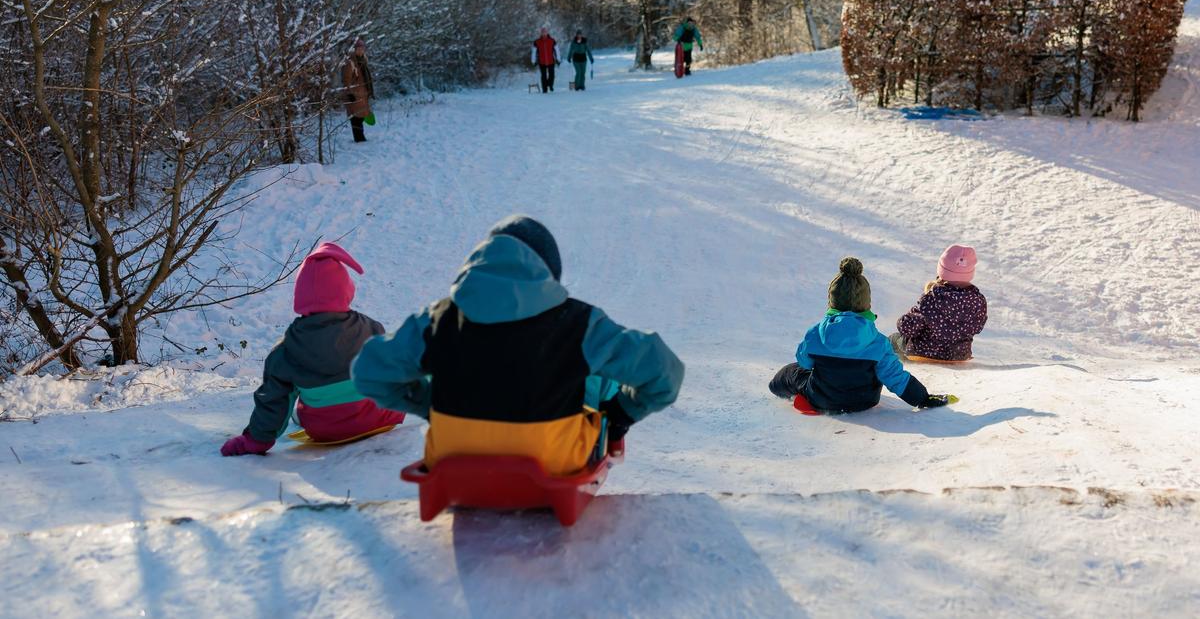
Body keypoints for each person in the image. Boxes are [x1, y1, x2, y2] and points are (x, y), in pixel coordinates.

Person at [351, 215, 685, 476]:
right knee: (594, 392)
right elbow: (665, 372)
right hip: (555, 463)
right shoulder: (580, 324)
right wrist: (622, 413)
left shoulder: (436, 320)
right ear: (548, 273)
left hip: (454, 458)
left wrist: (428, 405)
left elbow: (368, 371)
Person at [221, 243, 405, 456]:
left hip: (326, 430)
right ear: (346, 290)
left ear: (300, 295)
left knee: (296, 409)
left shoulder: (287, 350)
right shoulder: (372, 328)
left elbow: (274, 400)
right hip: (381, 417)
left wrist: (256, 440)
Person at [768, 257, 952, 414]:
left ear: (832, 301)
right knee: (880, 368)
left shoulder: (815, 334)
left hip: (822, 399)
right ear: (866, 304)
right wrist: (923, 398)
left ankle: (776, 388)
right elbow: (894, 375)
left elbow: (805, 362)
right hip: (865, 401)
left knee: (791, 371)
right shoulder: (878, 341)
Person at [890, 245, 987, 362]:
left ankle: (886, 369)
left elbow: (908, 328)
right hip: (959, 356)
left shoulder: (932, 298)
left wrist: (902, 321)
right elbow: (977, 327)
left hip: (923, 353)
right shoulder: (979, 301)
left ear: (942, 270)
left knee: (893, 339)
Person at [342, 38, 374, 142]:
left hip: (362, 95)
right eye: (358, 48)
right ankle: (359, 139)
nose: (360, 50)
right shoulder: (350, 63)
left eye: (362, 48)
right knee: (356, 118)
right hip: (354, 95)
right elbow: (346, 79)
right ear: (353, 50)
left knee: (360, 117)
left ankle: (360, 138)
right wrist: (349, 93)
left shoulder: (363, 60)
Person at [531, 27, 561, 93]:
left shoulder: (552, 40)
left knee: (552, 75)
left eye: (545, 32)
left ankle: (550, 85)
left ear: (547, 33)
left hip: (551, 61)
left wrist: (558, 59)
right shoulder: (537, 42)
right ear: (541, 33)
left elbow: (557, 50)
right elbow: (534, 52)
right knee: (543, 76)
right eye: (542, 32)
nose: (544, 34)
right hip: (542, 61)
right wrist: (533, 61)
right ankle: (545, 89)